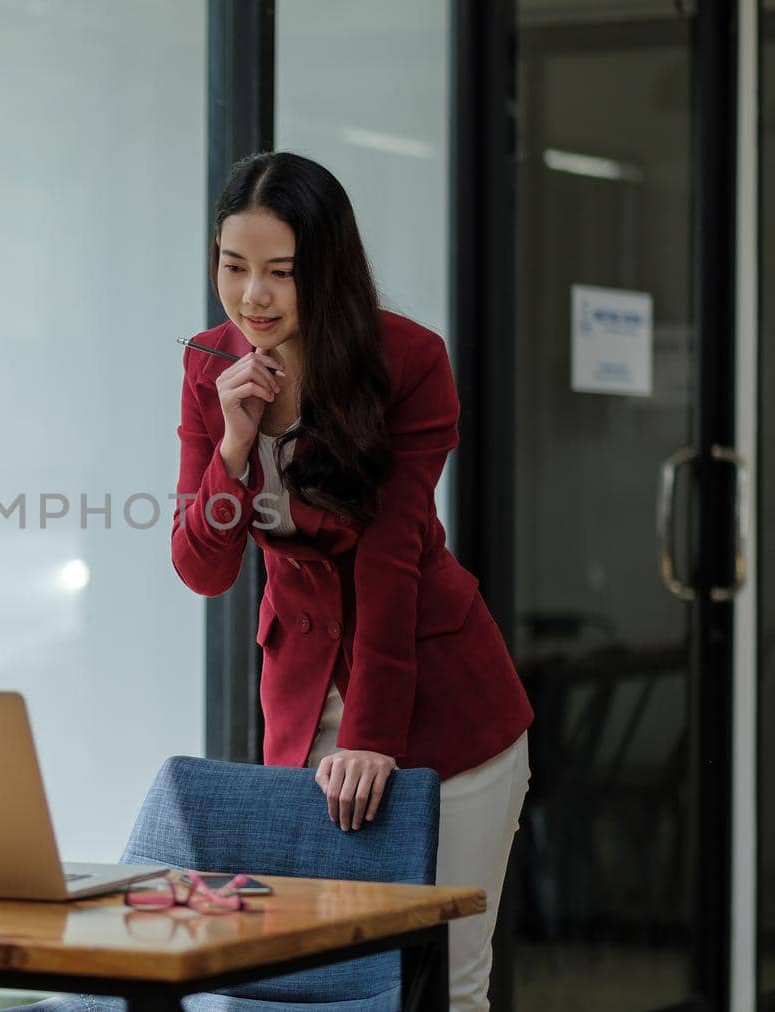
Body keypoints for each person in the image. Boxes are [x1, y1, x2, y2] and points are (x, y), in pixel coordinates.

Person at [170, 151, 533, 1012]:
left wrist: (369, 735)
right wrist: (232, 446)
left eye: (280, 273)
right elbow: (202, 567)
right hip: (302, 707)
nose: (252, 296)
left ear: (324, 270)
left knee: (443, 984)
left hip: (443, 709)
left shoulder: (407, 361)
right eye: (234, 267)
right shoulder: (208, 369)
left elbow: (393, 555)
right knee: (313, 982)